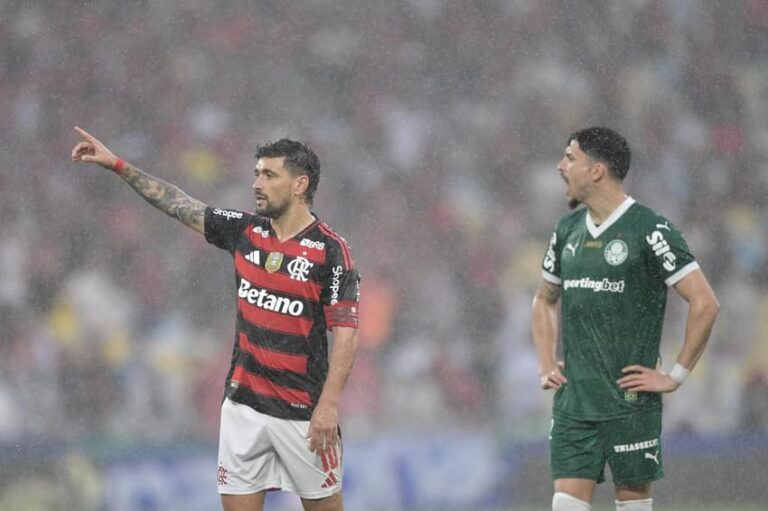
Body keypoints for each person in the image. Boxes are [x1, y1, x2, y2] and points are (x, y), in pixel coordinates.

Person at [71, 127, 360, 511]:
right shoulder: (245, 231)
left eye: (269, 175)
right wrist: (119, 166)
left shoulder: (330, 251)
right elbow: (180, 204)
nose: (256, 183)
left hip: (303, 415)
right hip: (243, 409)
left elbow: (346, 335)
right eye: (256, 173)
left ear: (299, 184)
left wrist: (328, 406)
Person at [531, 127, 719, 511]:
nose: (560, 166)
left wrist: (675, 376)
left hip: (630, 402)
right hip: (576, 402)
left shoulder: (650, 229)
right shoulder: (566, 230)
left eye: (570, 158)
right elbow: (544, 299)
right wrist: (547, 363)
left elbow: (705, 302)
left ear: (597, 170)